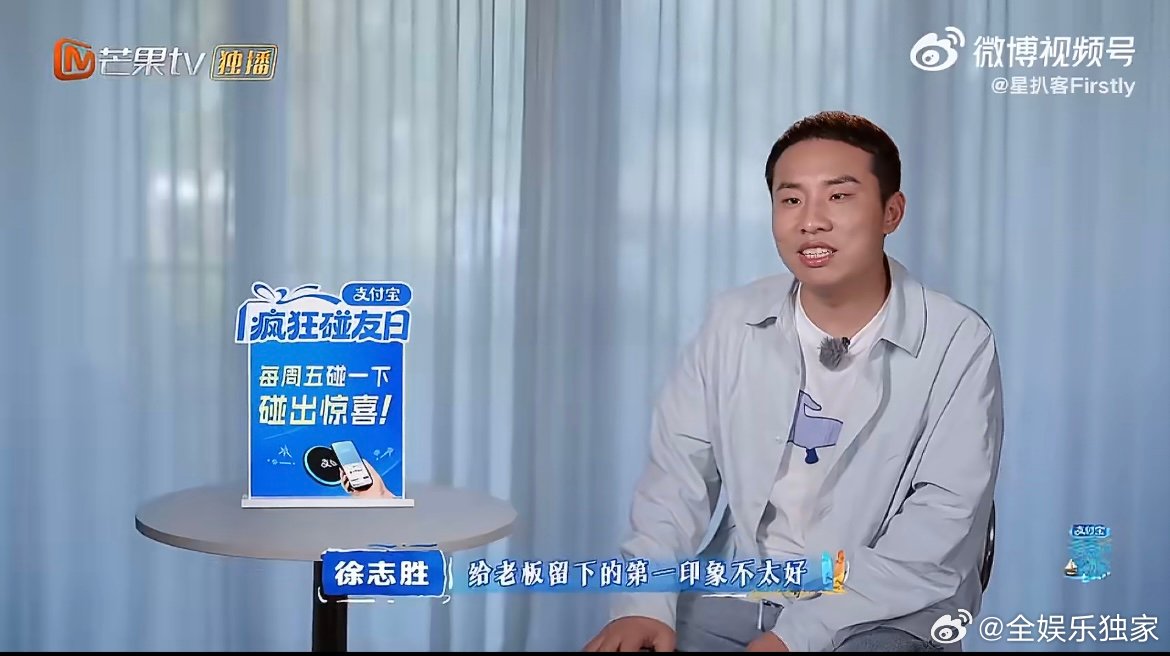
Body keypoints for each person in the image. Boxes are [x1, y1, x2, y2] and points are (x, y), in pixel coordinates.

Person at [584, 111, 1004, 652]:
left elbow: (938, 531)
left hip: (886, 611)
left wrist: (797, 637)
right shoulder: (732, 321)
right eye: (790, 199)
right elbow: (676, 481)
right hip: (743, 594)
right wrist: (644, 602)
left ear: (891, 212)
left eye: (839, 196)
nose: (811, 221)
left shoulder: (957, 340)